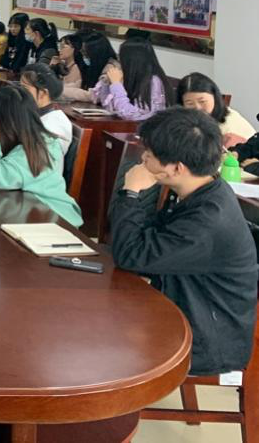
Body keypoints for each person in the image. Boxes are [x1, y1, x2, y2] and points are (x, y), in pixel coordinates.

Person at [110, 108, 258, 376]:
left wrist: (131, 192)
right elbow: (144, 240)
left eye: (150, 154)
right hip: (184, 309)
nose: (143, 159)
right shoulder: (202, 190)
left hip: (206, 342)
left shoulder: (208, 219)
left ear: (177, 168)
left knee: (103, 343)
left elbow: (130, 255)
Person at [0, 85, 82, 226]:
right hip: (32, 212)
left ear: (3, 118)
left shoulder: (37, 149)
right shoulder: (30, 137)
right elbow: (7, 159)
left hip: (53, 219)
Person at [92, 38, 169, 121]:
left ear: (131, 61)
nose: (119, 62)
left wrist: (116, 84)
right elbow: (108, 106)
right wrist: (107, 83)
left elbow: (130, 115)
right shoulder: (131, 77)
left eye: (121, 58)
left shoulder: (153, 82)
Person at [176, 72, 256, 148]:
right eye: (190, 103)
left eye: (202, 101)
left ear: (215, 97)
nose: (197, 108)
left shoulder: (229, 131)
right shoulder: (193, 120)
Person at [19, 62, 72, 153]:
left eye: (25, 89)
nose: (19, 92)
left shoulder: (54, 126)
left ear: (43, 93)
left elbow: (28, 156)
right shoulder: (34, 113)